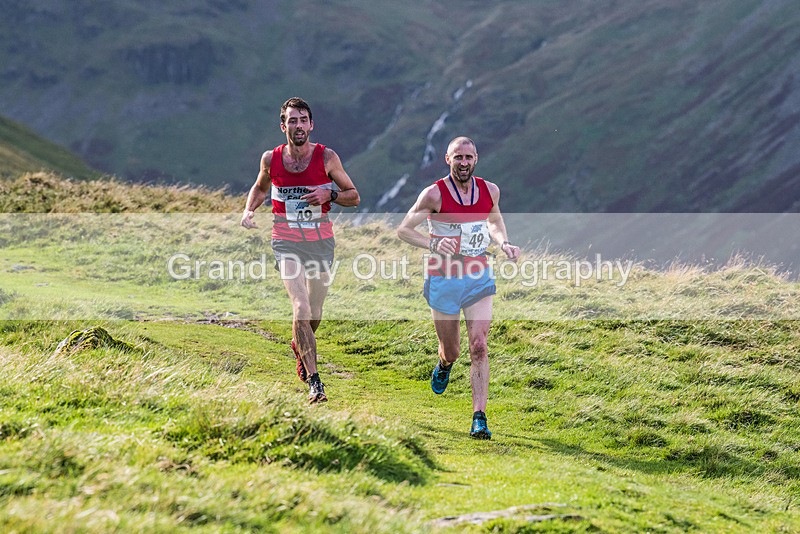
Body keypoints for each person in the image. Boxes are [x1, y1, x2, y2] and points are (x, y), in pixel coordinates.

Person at [397, 136, 520, 439]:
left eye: (468, 157)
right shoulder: (433, 195)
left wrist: (503, 242)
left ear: (476, 159)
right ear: (447, 159)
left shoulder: (489, 191)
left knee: (479, 345)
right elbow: (404, 230)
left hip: (478, 274)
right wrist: (434, 242)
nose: (463, 163)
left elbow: (493, 221)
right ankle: (443, 363)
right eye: (458, 157)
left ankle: (479, 416)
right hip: (444, 276)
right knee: (452, 350)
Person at [241, 97, 360, 404]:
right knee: (301, 308)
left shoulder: (326, 157)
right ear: (283, 127)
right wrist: (249, 210)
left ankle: (300, 343)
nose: (297, 125)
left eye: (302, 120)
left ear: (311, 124)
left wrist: (328, 192)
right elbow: (261, 187)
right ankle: (315, 381)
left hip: (321, 241)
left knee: (315, 311)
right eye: (291, 121)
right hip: (286, 241)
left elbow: (354, 195)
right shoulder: (271, 159)